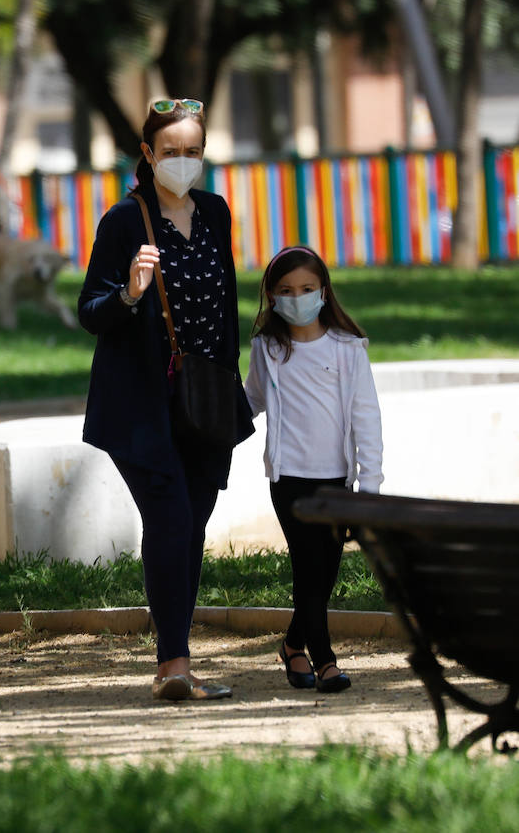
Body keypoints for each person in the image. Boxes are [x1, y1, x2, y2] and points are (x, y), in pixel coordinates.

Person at [77, 97, 254, 702]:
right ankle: (173, 664)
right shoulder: (125, 222)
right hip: (142, 404)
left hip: (206, 398)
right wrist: (129, 292)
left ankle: (177, 655)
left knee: (190, 524)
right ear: (147, 155)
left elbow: (226, 305)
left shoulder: (215, 212)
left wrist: (234, 387)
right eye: (170, 151)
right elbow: (90, 313)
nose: (182, 161)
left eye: (193, 151)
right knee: (171, 517)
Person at [244, 245, 382, 694]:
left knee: (325, 573)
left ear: (323, 292)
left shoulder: (347, 349)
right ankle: (325, 662)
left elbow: (367, 417)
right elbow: (251, 401)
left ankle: (292, 646)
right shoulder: (267, 350)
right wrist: (208, 425)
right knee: (307, 567)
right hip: (289, 481)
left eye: (305, 288)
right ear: (271, 297)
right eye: (285, 290)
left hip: (337, 481)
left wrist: (370, 486)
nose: (297, 297)